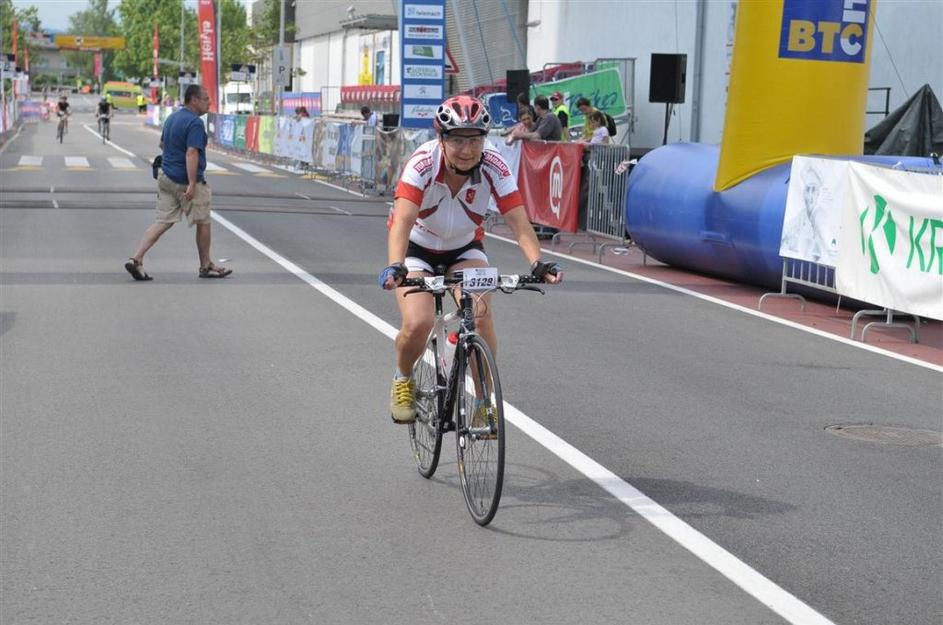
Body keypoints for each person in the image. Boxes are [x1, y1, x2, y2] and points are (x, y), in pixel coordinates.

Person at [378, 95, 562, 424]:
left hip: (464, 248)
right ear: (441, 139)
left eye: (475, 140)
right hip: (417, 248)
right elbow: (402, 223)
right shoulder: (422, 164)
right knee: (418, 323)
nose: (467, 150)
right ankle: (403, 378)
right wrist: (396, 266)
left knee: (480, 317)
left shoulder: (494, 164)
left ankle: (481, 400)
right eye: (458, 140)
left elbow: (518, 221)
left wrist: (538, 263)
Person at [124, 85, 232, 281]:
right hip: (185, 180)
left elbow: (163, 144)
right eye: (206, 99)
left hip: (166, 177)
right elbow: (192, 152)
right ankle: (206, 265)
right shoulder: (195, 123)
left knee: (163, 221)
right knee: (203, 221)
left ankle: (136, 258)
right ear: (194, 100)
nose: (209, 102)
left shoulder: (172, 118)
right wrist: (192, 183)